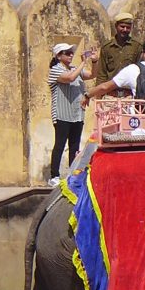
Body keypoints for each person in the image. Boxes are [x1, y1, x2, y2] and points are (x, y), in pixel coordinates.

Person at [47, 42, 96, 187]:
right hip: (62, 113)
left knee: (75, 145)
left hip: (76, 113)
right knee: (60, 144)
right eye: (66, 52)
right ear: (58, 56)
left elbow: (93, 74)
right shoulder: (55, 70)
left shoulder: (75, 68)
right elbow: (70, 78)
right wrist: (83, 62)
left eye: (71, 52)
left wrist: (94, 61)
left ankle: (72, 173)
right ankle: (54, 175)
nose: (70, 54)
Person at [93, 11, 143, 86]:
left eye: (128, 27)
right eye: (122, 27)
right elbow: (102, 74)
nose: (125, 30)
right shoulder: (107, 47)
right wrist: (98, 93)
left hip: (129, 92)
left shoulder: (137, 47)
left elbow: (140, 71)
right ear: (116, 26)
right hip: (111, 91)